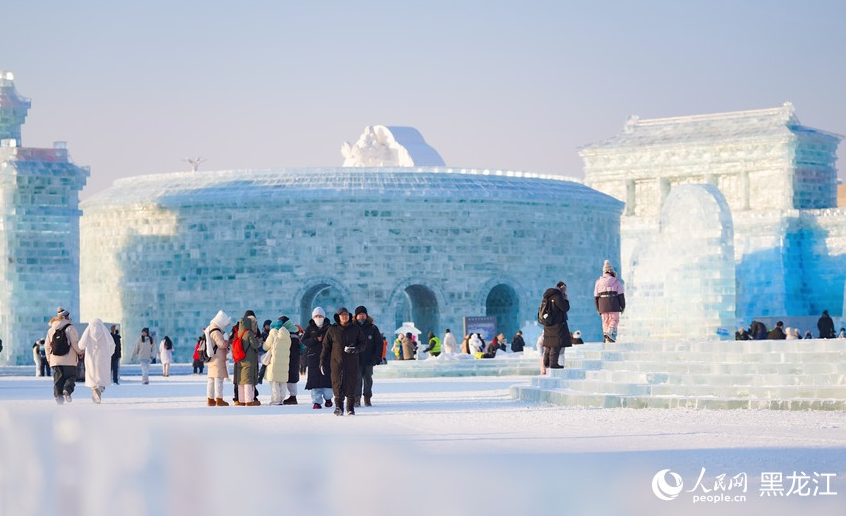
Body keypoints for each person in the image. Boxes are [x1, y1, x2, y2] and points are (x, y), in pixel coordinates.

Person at [321, 307, 365, 416]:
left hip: (351, 361)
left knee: (351, 383)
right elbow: (326, 346)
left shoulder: (355, 329)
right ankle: (338, 407)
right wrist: (322, 360)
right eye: (342, 315)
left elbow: (363, 343)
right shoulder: (332, 329)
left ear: (349, 316)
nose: (344, 317)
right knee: (337, 383)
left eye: (346, 315)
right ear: (338, 316)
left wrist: (355, 349)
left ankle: (350, 408)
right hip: (336, 361)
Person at [45, 307, 81, 404]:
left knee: (58, 379)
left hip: (55, 360)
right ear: (66, 317)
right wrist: (80, 352)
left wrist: (49, 359)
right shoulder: (70, 328)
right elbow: (75, 343)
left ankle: (58, 396)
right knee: (71, 377)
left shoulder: (50, 330)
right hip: (69, 359)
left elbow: (47, 346)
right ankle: (67, 390)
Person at [77, 318, 115, 404]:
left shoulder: (88, 330)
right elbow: (111, 343)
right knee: (102, 376)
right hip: (103, 357)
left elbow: (81, 345)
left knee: (93, 376)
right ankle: (100, 389)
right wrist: (110, 353)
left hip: (91, 358)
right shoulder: (104, 331)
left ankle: (95, 389)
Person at [303, 307, 333, 409]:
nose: (318, 318)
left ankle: (328, 399)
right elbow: (304, 341)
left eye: (320, 316)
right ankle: (316, 402)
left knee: (327, 380)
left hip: (327, 357)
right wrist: (315, 339)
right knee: (315, 381)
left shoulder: (330, 327)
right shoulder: (310, 328)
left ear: (324, 317)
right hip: (313, 358)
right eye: (316, 316)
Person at [353, 305, 382, 407]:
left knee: (368, 379)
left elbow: (379, 343)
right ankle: (356, 398)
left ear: (366, 315)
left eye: (363, 314)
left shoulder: (373, 328)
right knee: (356, 379)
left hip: (369, 359)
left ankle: (367, 398)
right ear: (356, 316)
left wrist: (377, 357)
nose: (361, 316)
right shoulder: (352, 328)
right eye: (359, 314)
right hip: (356, 359)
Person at [540, 281, 571, 372]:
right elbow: (565, 308)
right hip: (557, 324)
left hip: (548, 323)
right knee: (555, 344)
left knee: (549, 344)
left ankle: (546, 363)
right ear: (561, 288)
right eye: (564, 289)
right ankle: (553, 364)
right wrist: (565, 299)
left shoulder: (548, 296)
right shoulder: (558, 296)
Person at [234, 310, 262, 406]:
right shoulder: (248, 333)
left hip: (240, 359)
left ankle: (241, 400)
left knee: (241, 381)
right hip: (249, 359)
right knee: (248, 381)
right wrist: (259, 341)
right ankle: (249, 401)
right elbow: (254, 345)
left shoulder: (239, 333)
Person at [594, 260, 625, 343]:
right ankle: (610, 333)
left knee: (605, 321)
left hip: (602, 305)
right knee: (614, 320)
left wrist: (598, 308)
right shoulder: (616, 281)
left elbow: (596, 297)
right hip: (614, 304)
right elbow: (621, 295)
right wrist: (623, 306)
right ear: (611, 271)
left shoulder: (598, 282)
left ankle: (606, 336)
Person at [263, 318, 292, 406]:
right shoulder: (287, 335)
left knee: (274, 382)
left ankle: (275, 400)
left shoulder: (272, 334)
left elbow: (265, 347)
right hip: (284, 363)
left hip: (274, 363)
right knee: (282, 381)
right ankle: (281, 399)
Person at [205, 310, 231, 406]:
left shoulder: (210, 328)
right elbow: (222, 344)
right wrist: (229, 342)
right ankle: (219, 399)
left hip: (212, 359)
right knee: (218, 380)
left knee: (211, 380)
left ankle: (210, 399)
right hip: (217, 358)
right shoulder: (216, 331)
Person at [281, 316, 301, 405]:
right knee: (292, 377)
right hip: (295, 358)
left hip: (290, 358)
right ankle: (292, 396)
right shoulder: (295, 331)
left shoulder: (289, 333)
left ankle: (293, 397)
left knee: (291, 378)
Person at [257, 319, 272, 385]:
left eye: (269, 326)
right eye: (267, 326)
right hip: (265, 352)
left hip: (270, 352)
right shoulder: (263, 334)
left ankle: (261, 377)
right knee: (264, 364)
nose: (268, 327)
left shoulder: (272, 334)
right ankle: (260, 377)